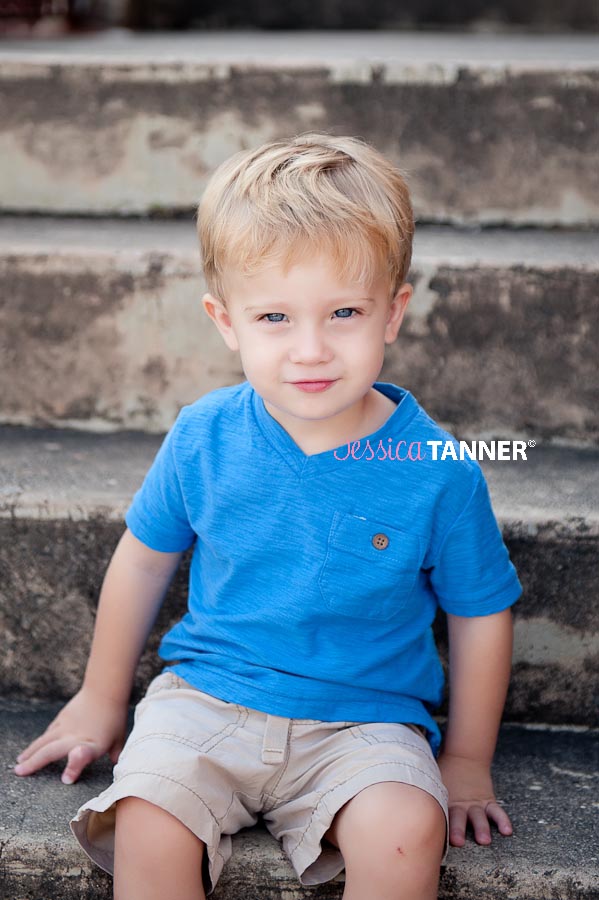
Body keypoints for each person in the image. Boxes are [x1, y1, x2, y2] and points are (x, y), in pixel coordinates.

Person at [14, 133, 521, 900]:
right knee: (146, 821)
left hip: (363, 723)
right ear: (226, 322)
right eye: (275, 317)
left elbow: (480, 611)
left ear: (393, 313)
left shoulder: (436, 468)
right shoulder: (204, 436)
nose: (310, 349)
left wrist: (467, 760)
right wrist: (100, 695)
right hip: (205, 699)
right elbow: (144, 558)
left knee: (404, 829)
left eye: (344, 311)